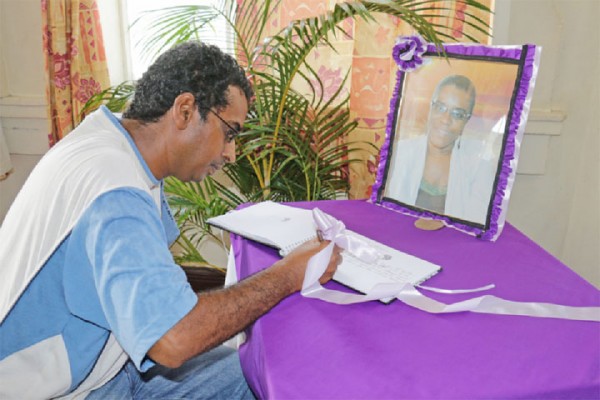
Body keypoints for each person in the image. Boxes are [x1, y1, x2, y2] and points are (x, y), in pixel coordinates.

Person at [0, 42, 341, 399]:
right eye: (230, 132)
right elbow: (174, 339)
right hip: (69, 391)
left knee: (264, 371)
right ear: (185, 110)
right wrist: (290, 273)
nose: (231, 153)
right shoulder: (115, 189)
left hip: (109, 363)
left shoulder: (108, 140)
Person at [384, 74, 496, 224]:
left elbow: (475, 225)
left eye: (457, 114)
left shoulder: (478, 167)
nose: (445, 120)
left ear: (467, 120)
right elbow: (388, 214)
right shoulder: (400, 153)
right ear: (431, 108)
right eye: (440, 107)